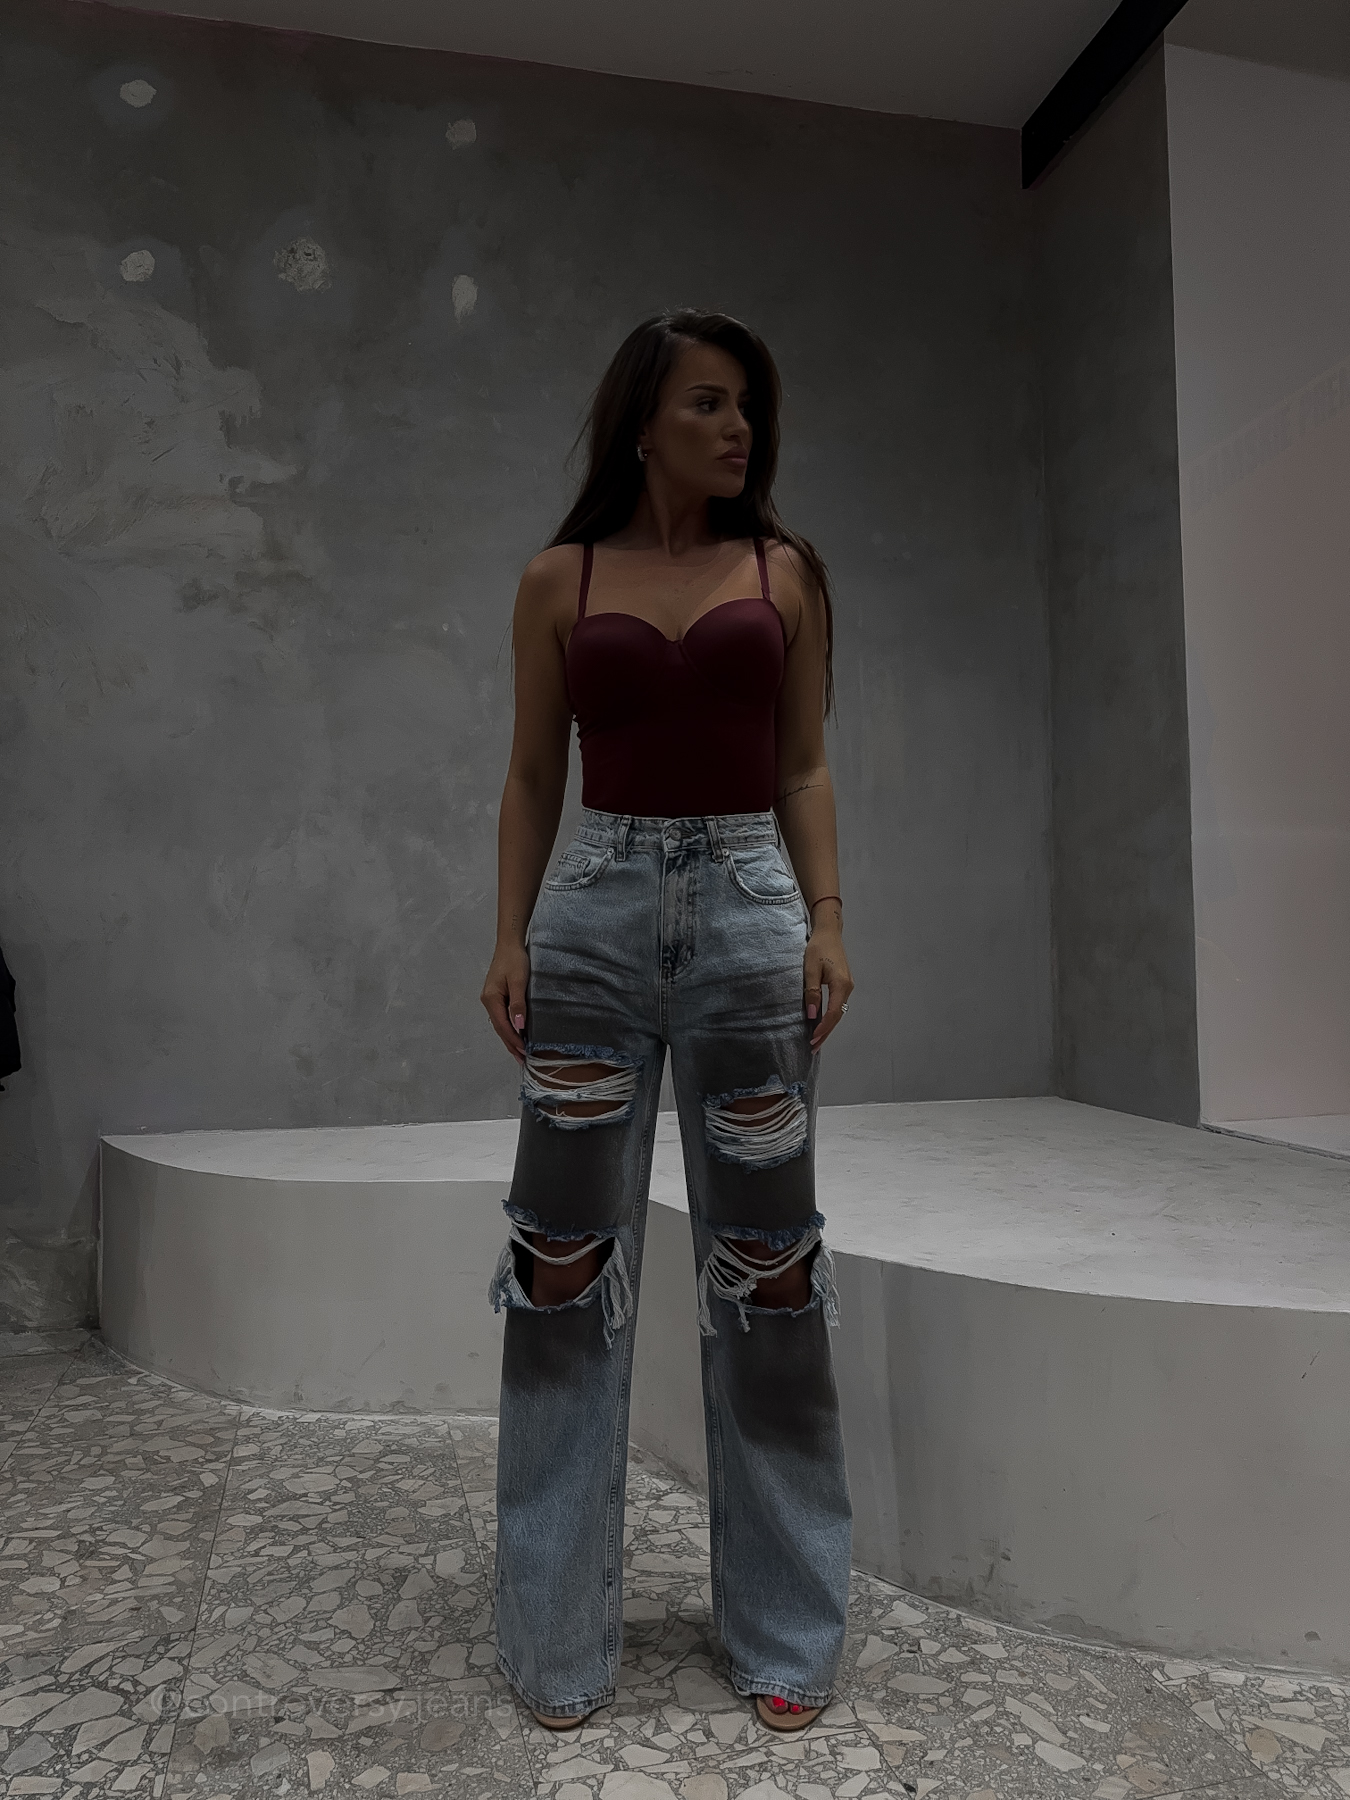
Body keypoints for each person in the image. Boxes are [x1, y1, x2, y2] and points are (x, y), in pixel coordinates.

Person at [480, 308, 855, 1737]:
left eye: (746, 405)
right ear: (640, 422)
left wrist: (827, 918)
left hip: (752, 923)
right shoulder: (558, 577)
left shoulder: (785, 573)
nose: (735, 427)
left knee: (770, 1277)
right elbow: (532, 773)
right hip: (592, 924)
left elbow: (803, 764)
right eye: (706, 403)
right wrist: (507, 936)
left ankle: (785, 1630)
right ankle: (554, 1636)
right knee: (561, 1275)